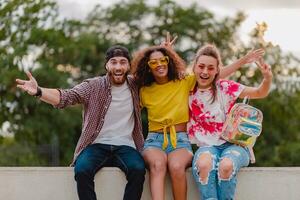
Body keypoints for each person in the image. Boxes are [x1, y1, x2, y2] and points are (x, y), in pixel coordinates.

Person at [131, 36, 264, 200]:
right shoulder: (144, 90)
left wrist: (243, 61)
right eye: (153, 62)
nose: (159, 64)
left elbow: (214, 74)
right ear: (147, 67)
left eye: (163, 60)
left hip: (180, 140)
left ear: (169, 60)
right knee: (158, 166)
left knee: (177, 166)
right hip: (154, 140)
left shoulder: (183, 82)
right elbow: (129, 109)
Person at [16, 45, 146, 200]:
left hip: (126, 146)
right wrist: (39, 91)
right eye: (113, 62)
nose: (118, 67)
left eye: (123, 62)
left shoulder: (136, 86)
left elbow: (160, 75)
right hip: (96, 145)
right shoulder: (93, 86)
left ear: (129, 65)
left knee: (138, 170)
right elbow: (66, 97)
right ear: (107, 65)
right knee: (82, 170)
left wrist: (166, 52)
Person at [188, 44, 272, 200]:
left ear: (217, 71)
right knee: (204, 165)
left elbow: (260, 92)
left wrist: (267, 78)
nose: (205, 72)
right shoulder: (187, 89)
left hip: (235, 145)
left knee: (226, 166)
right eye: (201, 66)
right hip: (207, 146)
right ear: (194, 68)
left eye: (211, 68)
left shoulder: (225, 87)